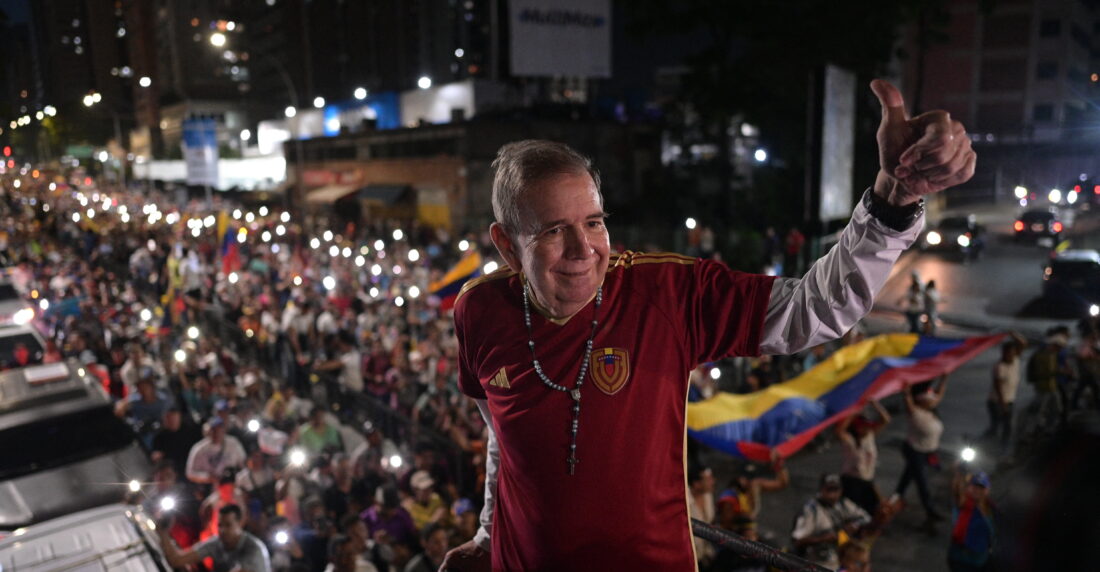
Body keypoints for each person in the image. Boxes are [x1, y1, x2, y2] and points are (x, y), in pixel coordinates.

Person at [443, 79, 976, 570]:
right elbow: (502, 440)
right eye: (555, 231)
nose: (585, 250)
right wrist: (489, 534)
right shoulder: (478, 311)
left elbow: (813, 310)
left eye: (594, 222)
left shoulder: (667, 294)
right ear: (508, 246)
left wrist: (893, 201)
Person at [893, 377, 949, 530]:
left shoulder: (930, 410)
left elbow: (939, 394)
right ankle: (930, 511)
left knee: (908, 475)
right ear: (920, 401)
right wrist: (906, 392)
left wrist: (943, 379)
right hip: (915, 451)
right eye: (928, 399)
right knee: (921, 482)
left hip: (927, 452)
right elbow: (908, 401)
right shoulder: (916, 413)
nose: (933, 400)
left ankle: (896, 497)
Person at [790, 474, 872, 570]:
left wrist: (854, 525)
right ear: (821, 490)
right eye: (829, 490)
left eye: (836, 490)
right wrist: (823, 538)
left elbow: (866, 518)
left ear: (841, 490)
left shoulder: (843, 504)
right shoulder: (810, 510)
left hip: (837, 562)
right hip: (814, 563)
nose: (833, 494)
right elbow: (797, 541)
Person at [159, 503, 272, 572]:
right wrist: (163, 532)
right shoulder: (217, 542)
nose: (222, 530)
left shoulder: (254, 549)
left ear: (240, 523)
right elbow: (177, 560)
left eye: (228, 525)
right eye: (220, 525)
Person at [836, 400, 891, 516]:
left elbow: (886, 419)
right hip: (851, 482)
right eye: (864, 427)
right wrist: (853, 412)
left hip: (867, 481)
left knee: (873, 511)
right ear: (857, 428)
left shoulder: (870, 436)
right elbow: (839, 430)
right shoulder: (850, 441)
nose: (867, 429)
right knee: (852, 513)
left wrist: (874, 403)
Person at [947, 470, 995, 571]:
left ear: (987, 490)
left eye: (981, 488)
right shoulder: (964, 503)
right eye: (974, 486)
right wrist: (958, 471)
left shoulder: (990, 509)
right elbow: (957, 490)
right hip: (960, 558)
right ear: (968, 487)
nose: (977, 490)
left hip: (979, 559)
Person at [986, 332, 1026, 448]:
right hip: (997, 402)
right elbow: (997, 386)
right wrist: (1002, 404)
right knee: (997, 425)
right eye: (1007, 353)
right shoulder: (999, 366)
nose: (1010, 355)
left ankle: (1002, 446)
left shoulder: (1015, 361)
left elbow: (1023, 343)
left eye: (1012, 352)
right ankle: (986, 444)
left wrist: (1012, 334)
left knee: (1007, 426)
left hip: (1009, 400)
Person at [185, 416, 248, 486]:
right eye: (213, 429)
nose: (217, 432)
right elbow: (190, 473)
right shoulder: (199, 449)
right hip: (210, 486)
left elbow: (244, 464)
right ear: (207, 431)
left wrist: (236, 477)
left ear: (224, 429)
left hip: (232, 485)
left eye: (219, 428)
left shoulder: (233, 443)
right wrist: (207, 477)